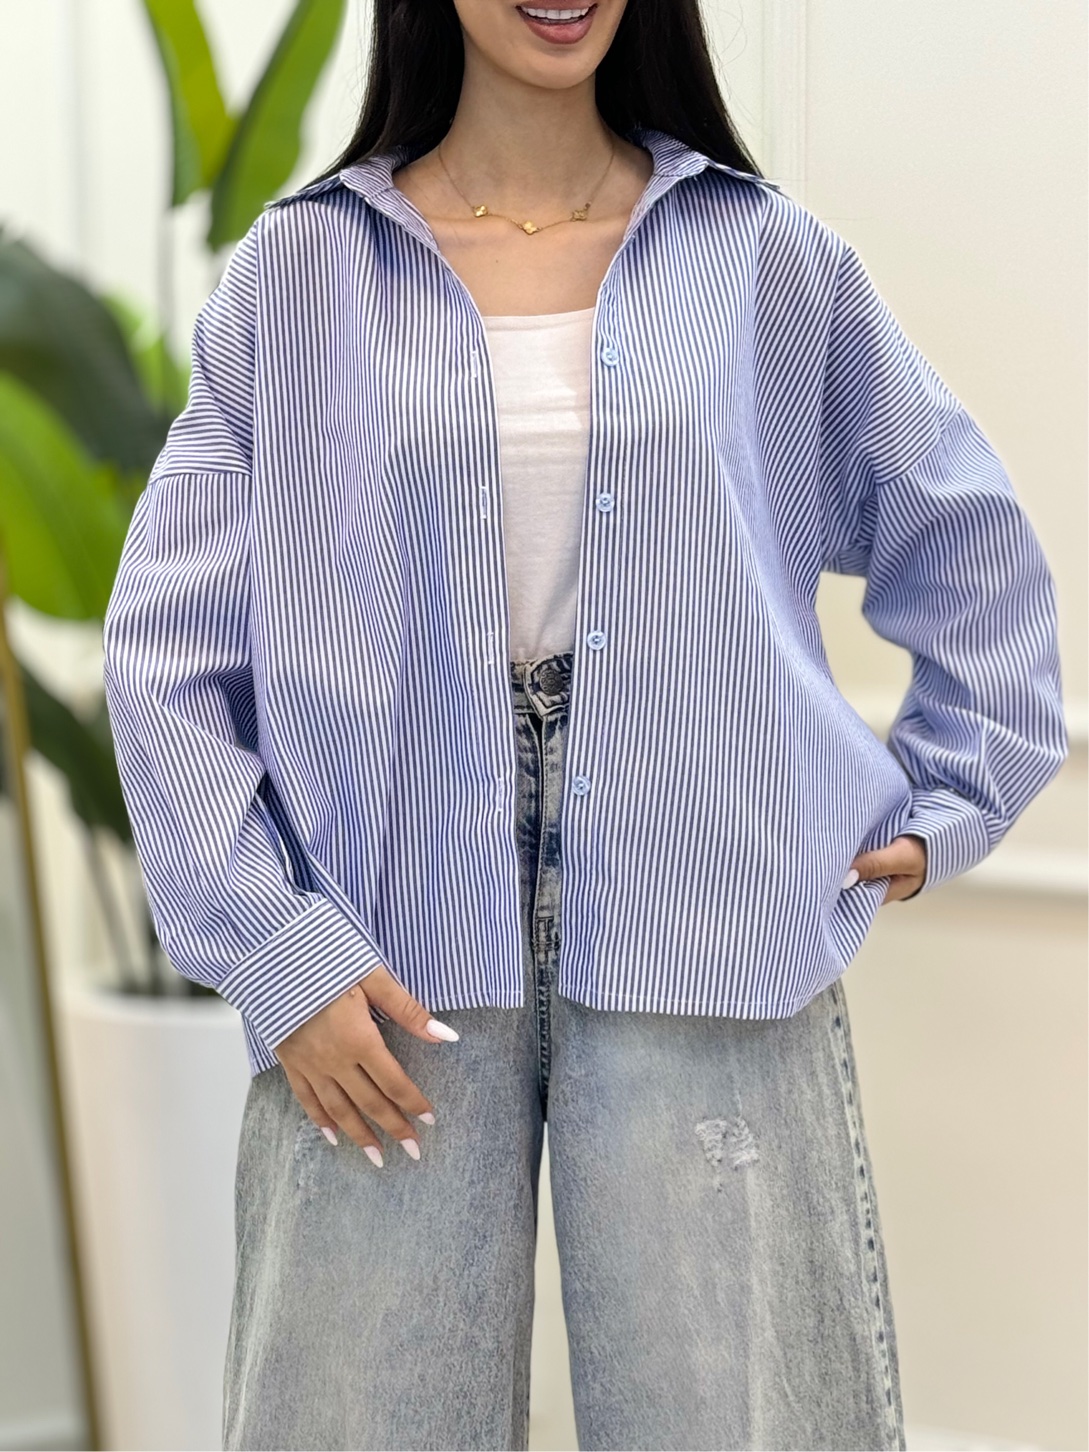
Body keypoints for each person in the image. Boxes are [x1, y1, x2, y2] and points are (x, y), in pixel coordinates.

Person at [101, 1, 1069, 1448]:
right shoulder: (298, 275)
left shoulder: (761, 257)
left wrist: (950, 794)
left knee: (739, 1417)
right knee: (352, 1414)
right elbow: (165, 648)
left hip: (712, 907)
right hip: (379, 934)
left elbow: (966, 535)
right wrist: (277, 954)